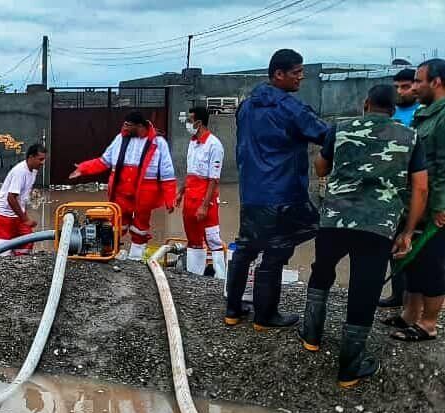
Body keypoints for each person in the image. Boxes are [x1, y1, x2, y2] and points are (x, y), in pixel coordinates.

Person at [299, 84, 427, 388]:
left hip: (334, 221)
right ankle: (349, 368)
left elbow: (320, 168)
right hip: (378, 226)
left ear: (365, 104)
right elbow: (420, 187)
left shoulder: (340, 129)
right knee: (365, 286)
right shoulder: (410, 136)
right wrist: (408, 232)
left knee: (322, 270)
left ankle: (312, 335)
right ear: (394, 109)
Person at [225, 49, 333, 328]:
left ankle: (232, 311)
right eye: (296, 72)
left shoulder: (246, 106)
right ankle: (265, 316)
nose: (301, 77)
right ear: (278, 74)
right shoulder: (291, 108)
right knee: (277, 250)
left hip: (251, 193)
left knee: (246, 248)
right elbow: (326, 135)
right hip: (283, 193)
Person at [382, 59, 445, 343]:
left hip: (435, 206)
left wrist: (441, 206)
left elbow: (443, 167)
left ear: (437, 82)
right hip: (415, 202)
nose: (414, 86)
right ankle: (409, 314)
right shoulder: (426, 114)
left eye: (419, 81)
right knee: (413, 260)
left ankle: (428, 323)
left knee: (432, 264)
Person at [68, 112, 177, 260]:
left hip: (145, 193)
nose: (124, 127)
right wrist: (83, 168)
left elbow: (167, 173)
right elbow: (104, 161)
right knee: (115, 224)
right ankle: (110, 255)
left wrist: (170, 199)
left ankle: (136, 259)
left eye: (128, 125)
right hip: (120, 191)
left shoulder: (159, 143)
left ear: (139, 126)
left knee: (140, 227)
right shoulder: (120, 139)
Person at [379, 68, 423, 308]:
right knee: (393, 242)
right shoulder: (390, 113)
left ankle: (418, 300)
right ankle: (398, 295)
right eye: (396, 87)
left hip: (416, 187)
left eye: (405, 86)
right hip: (392, 188)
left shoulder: (423, 114)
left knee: (416, 245)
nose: (400, 91)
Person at [176, 106, 226, 278]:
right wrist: (180, 192)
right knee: (193, 239)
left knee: (212, 239)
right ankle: (194, 275)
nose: (188, 124)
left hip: (206, 200)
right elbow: (190, 172)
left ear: (198, 122)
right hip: (190, 198)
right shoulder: (192, 142)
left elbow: (214, 179)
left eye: (190, 121)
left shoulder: (214, 145)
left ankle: (220, 277)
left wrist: (204, 206)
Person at [0, 144, 46, 257]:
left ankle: (17, 263)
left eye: (44, 159)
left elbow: (21, 196)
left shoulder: (33, 170)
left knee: (28, 242)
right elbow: (11, 198)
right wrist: (25, 219)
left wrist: (23, 216)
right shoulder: (20, 172)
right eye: (40, 159)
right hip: (3, 215)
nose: (43, 162)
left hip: (17, 214)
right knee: (3, 253)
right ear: (31, 157)